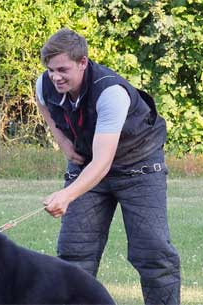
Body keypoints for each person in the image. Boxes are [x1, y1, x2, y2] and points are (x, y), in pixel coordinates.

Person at [36, 29, 181, 305]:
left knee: (154, 254)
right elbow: (45, 108)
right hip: (88, 166)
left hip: (138, 167)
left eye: (63, 69)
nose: (55, 77)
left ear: (83, 62)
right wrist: (64, 142)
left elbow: (103, 162)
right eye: (51, 69)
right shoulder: (44, 84)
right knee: (74, 253)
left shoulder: (110, 92)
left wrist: (66, 195)